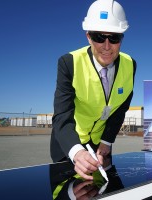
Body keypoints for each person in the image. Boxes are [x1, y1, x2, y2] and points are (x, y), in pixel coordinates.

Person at [50, 0, 136, 181]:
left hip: (101, 146)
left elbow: (120, 108)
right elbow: (62, 115)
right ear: (88, 37)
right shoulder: (69, 63)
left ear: (122, 38)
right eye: (99, 37)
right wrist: (77, 152)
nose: (106, 46)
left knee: (109, 191)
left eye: (113, 38)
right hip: (70, 145)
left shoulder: (130, 65)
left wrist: (107, 141)